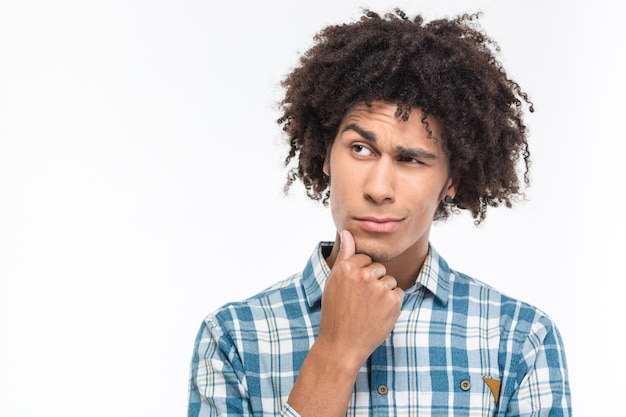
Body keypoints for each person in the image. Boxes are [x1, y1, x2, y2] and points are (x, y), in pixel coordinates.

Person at [187, 8, 571, 417]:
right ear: (325, 155)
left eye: (411, 160)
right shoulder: (234, 339)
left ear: (452, 181)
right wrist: (336, 353)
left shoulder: (519, 339)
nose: (378, 188)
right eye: (360, 149)